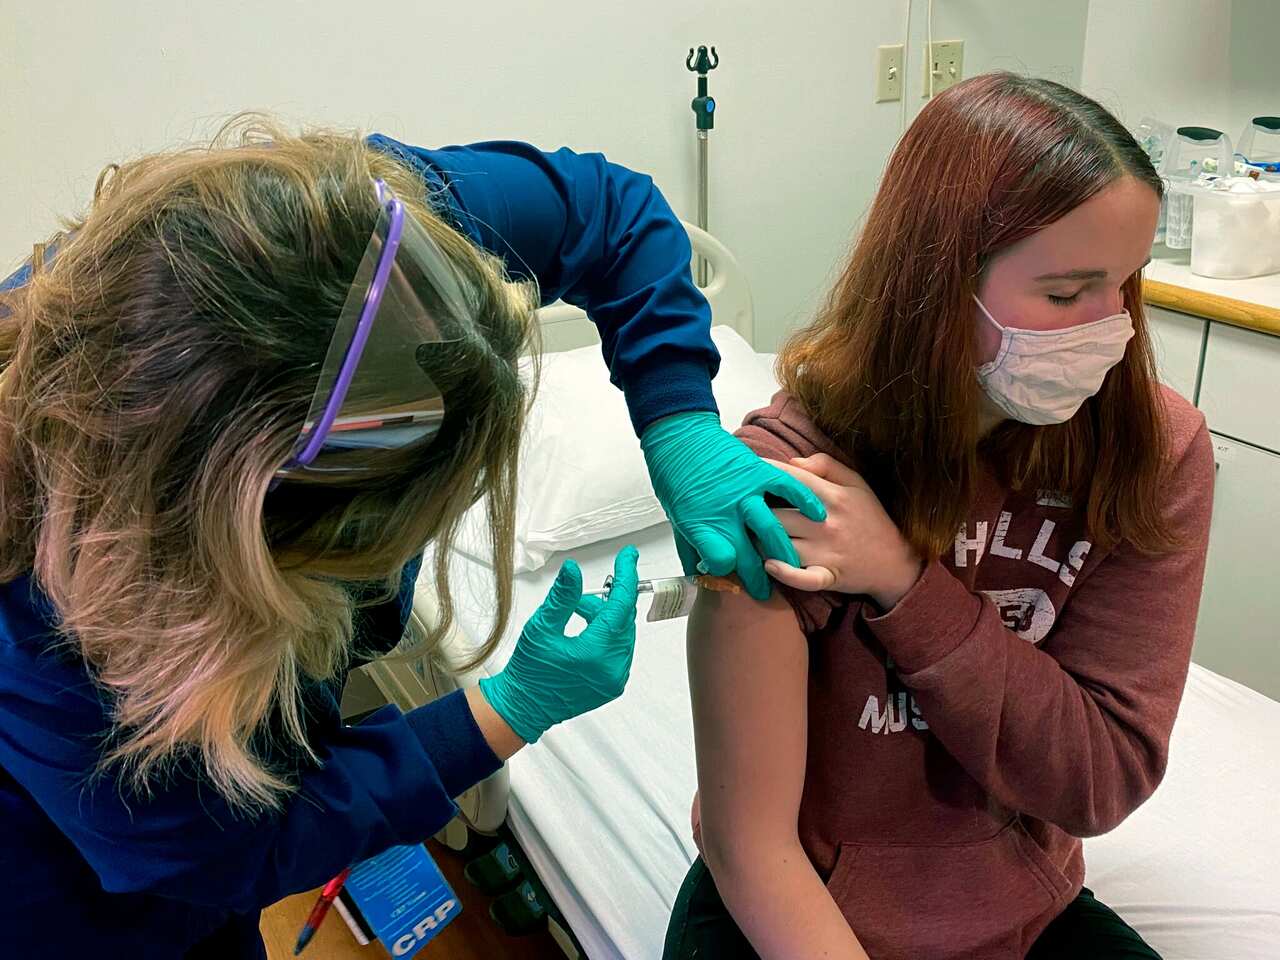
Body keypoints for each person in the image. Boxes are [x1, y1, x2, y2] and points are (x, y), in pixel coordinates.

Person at [0, 120, 819, 958]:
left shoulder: (364, 257)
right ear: (265, 555)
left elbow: (610, 213)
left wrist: (678, 419)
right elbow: (235, 847)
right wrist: (503, 712)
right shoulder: (59, 655)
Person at [664, 73, 1215, 960]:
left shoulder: (1156, 452)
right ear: (937, 285)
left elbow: (1100, 776)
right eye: (1068, 294)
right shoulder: (789, 476)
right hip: (802, 906)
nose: (1109, 332)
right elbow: (752, 846)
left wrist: (905, 586)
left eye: (1127, 286)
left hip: (1019, 909)